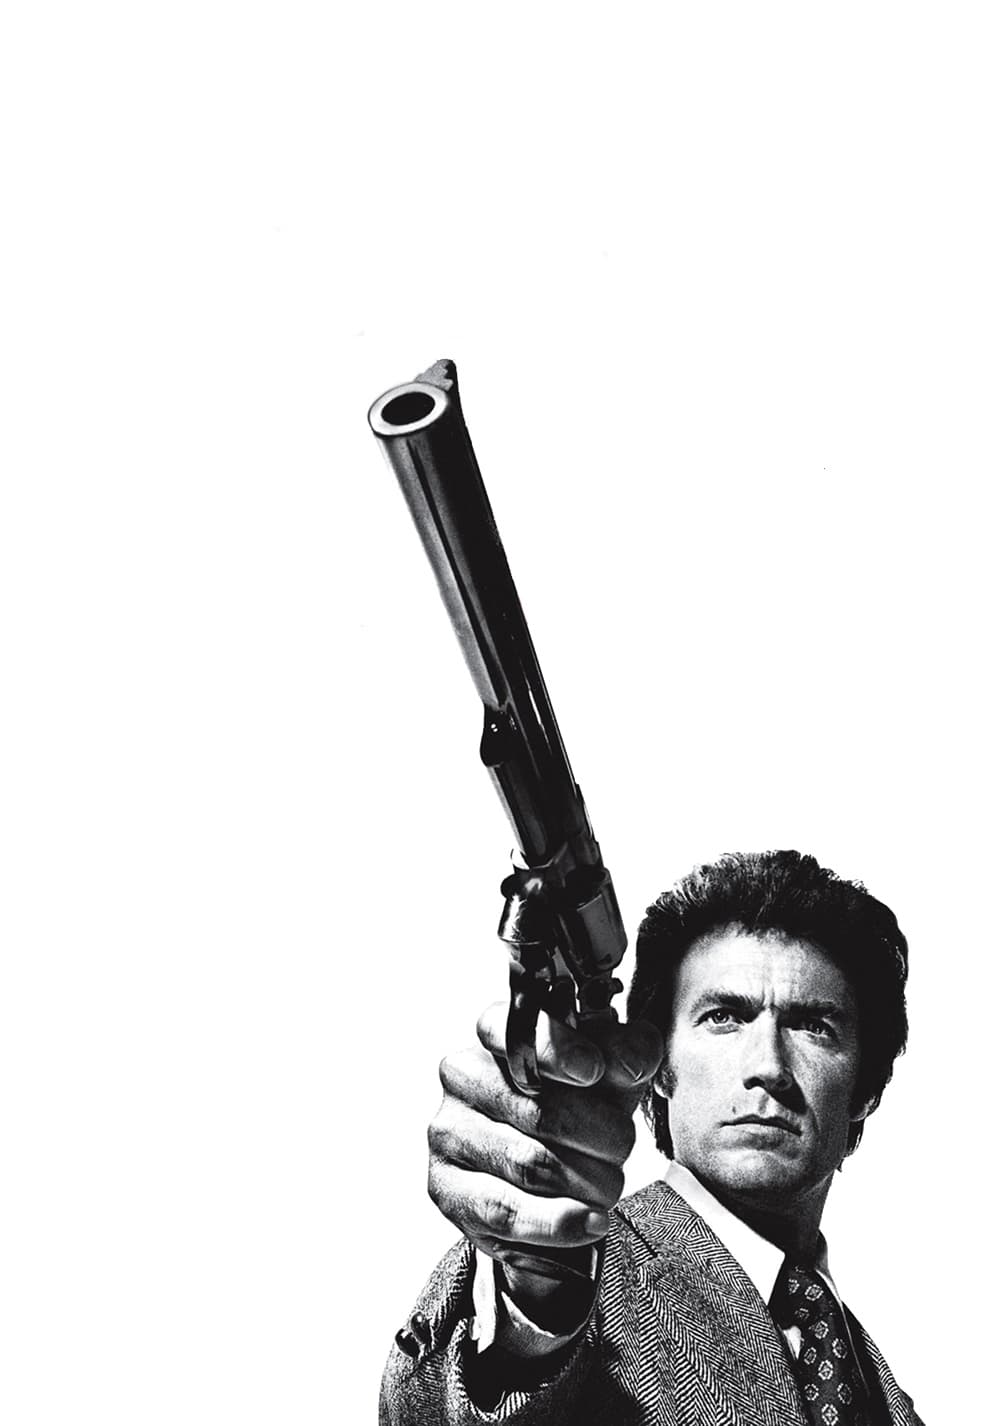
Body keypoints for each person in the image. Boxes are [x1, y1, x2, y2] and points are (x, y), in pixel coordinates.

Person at [380, 850, 923, 1425]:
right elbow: (449, 1404)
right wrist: (534, 1291)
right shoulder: (588, 1270)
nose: (768, 1066)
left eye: (812, 1026)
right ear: (657, 1067)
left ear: (865, 1089)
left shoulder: (874, 1382)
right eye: (723, 1016)